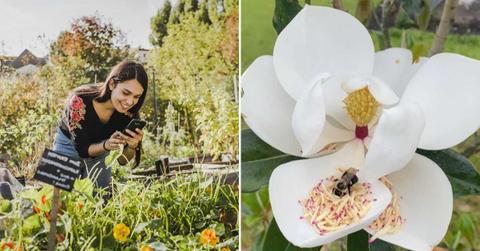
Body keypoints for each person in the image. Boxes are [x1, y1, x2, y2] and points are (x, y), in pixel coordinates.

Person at [52, 60, 148, 199]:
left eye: (136, 97)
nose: (129, 101)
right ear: (112, 84)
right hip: (67, 145)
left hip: (102, 150)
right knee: (57, 202)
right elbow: (82, 149)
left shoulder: (129, 113)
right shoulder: (79, 100)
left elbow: (122, 161)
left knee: (101, 200)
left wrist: (132, 146)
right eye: (126, 93)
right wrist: (106, 145)